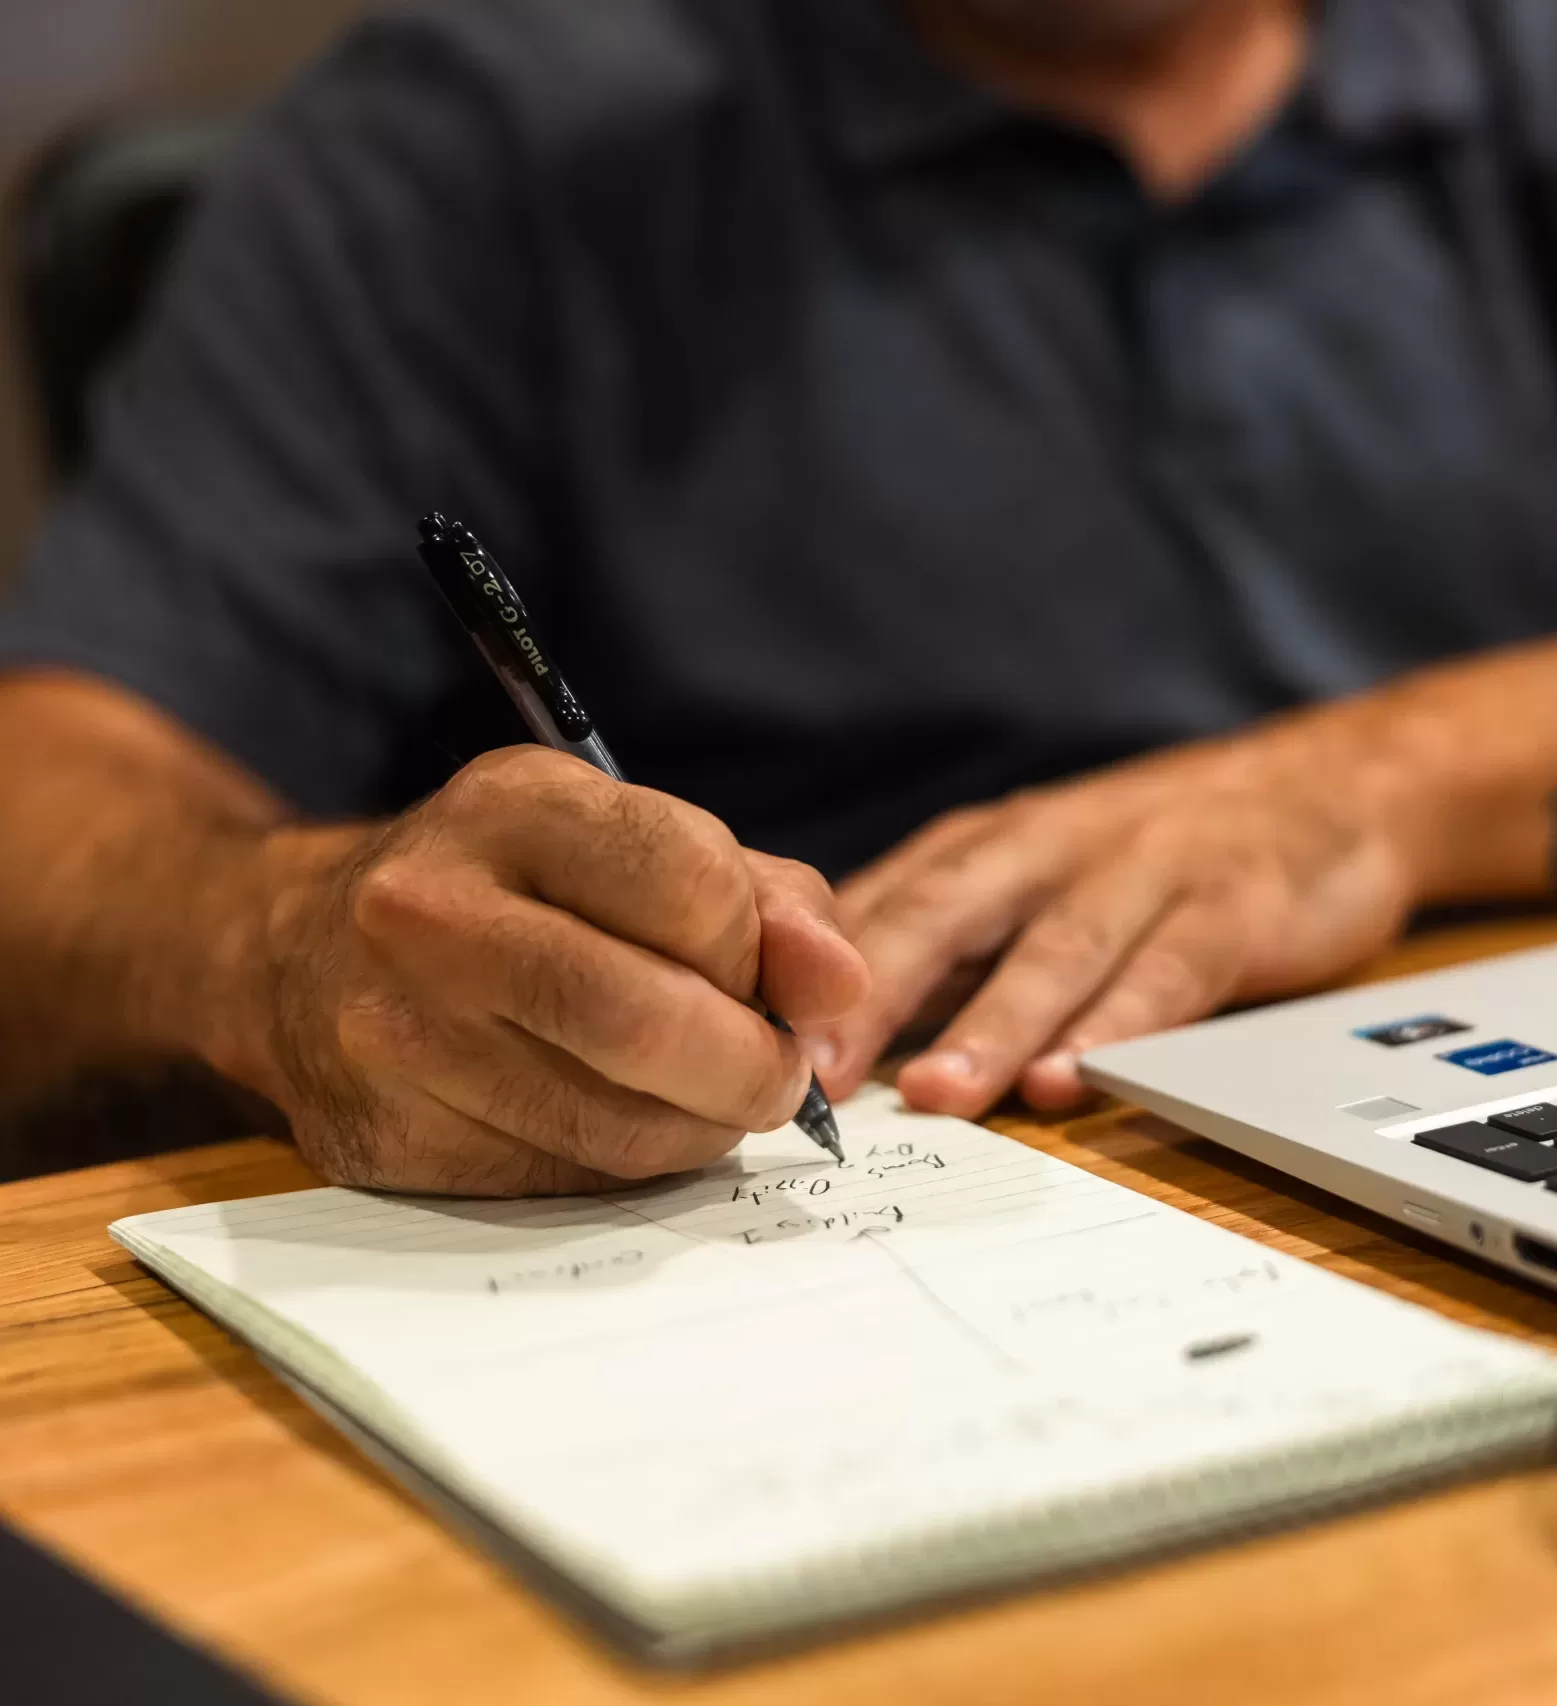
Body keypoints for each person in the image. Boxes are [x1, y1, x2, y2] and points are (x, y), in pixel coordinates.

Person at [3, 0, 1557, 1195]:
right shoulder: (493, 135)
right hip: (875, 1191)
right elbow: (48, 802)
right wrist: (279, 943)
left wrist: (1376, 786)